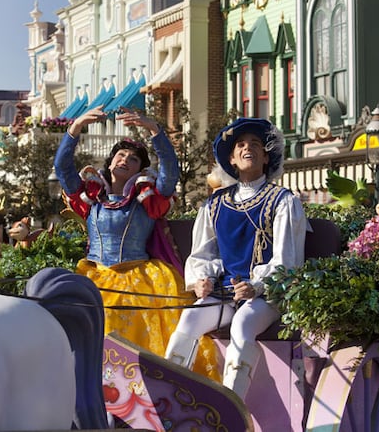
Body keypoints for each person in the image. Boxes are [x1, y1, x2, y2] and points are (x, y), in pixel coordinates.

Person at [54, 105, 220, 381]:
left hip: (138, 279)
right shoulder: (91, 196)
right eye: (120, 155)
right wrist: (76, 126)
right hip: (94, 276)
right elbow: (62, 167)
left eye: (133, 159)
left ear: (139, 170)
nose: (125, 160)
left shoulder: (147, 198)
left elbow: (170, 174)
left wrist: (155, 130)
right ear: (109, 162)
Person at [165, 117, 307, 399]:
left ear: (266, 157)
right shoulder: (215, 204)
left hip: (267, 296)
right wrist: (200, 280)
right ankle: (167, 399)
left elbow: (288, 259)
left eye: (255, 144)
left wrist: (258, 286)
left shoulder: (283, 201)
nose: (247, 148)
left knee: (242, 326)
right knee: (189, 320)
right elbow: (203, 252)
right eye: (240, 145)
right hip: (224, 292)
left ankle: (231, 409)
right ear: (231, 159)